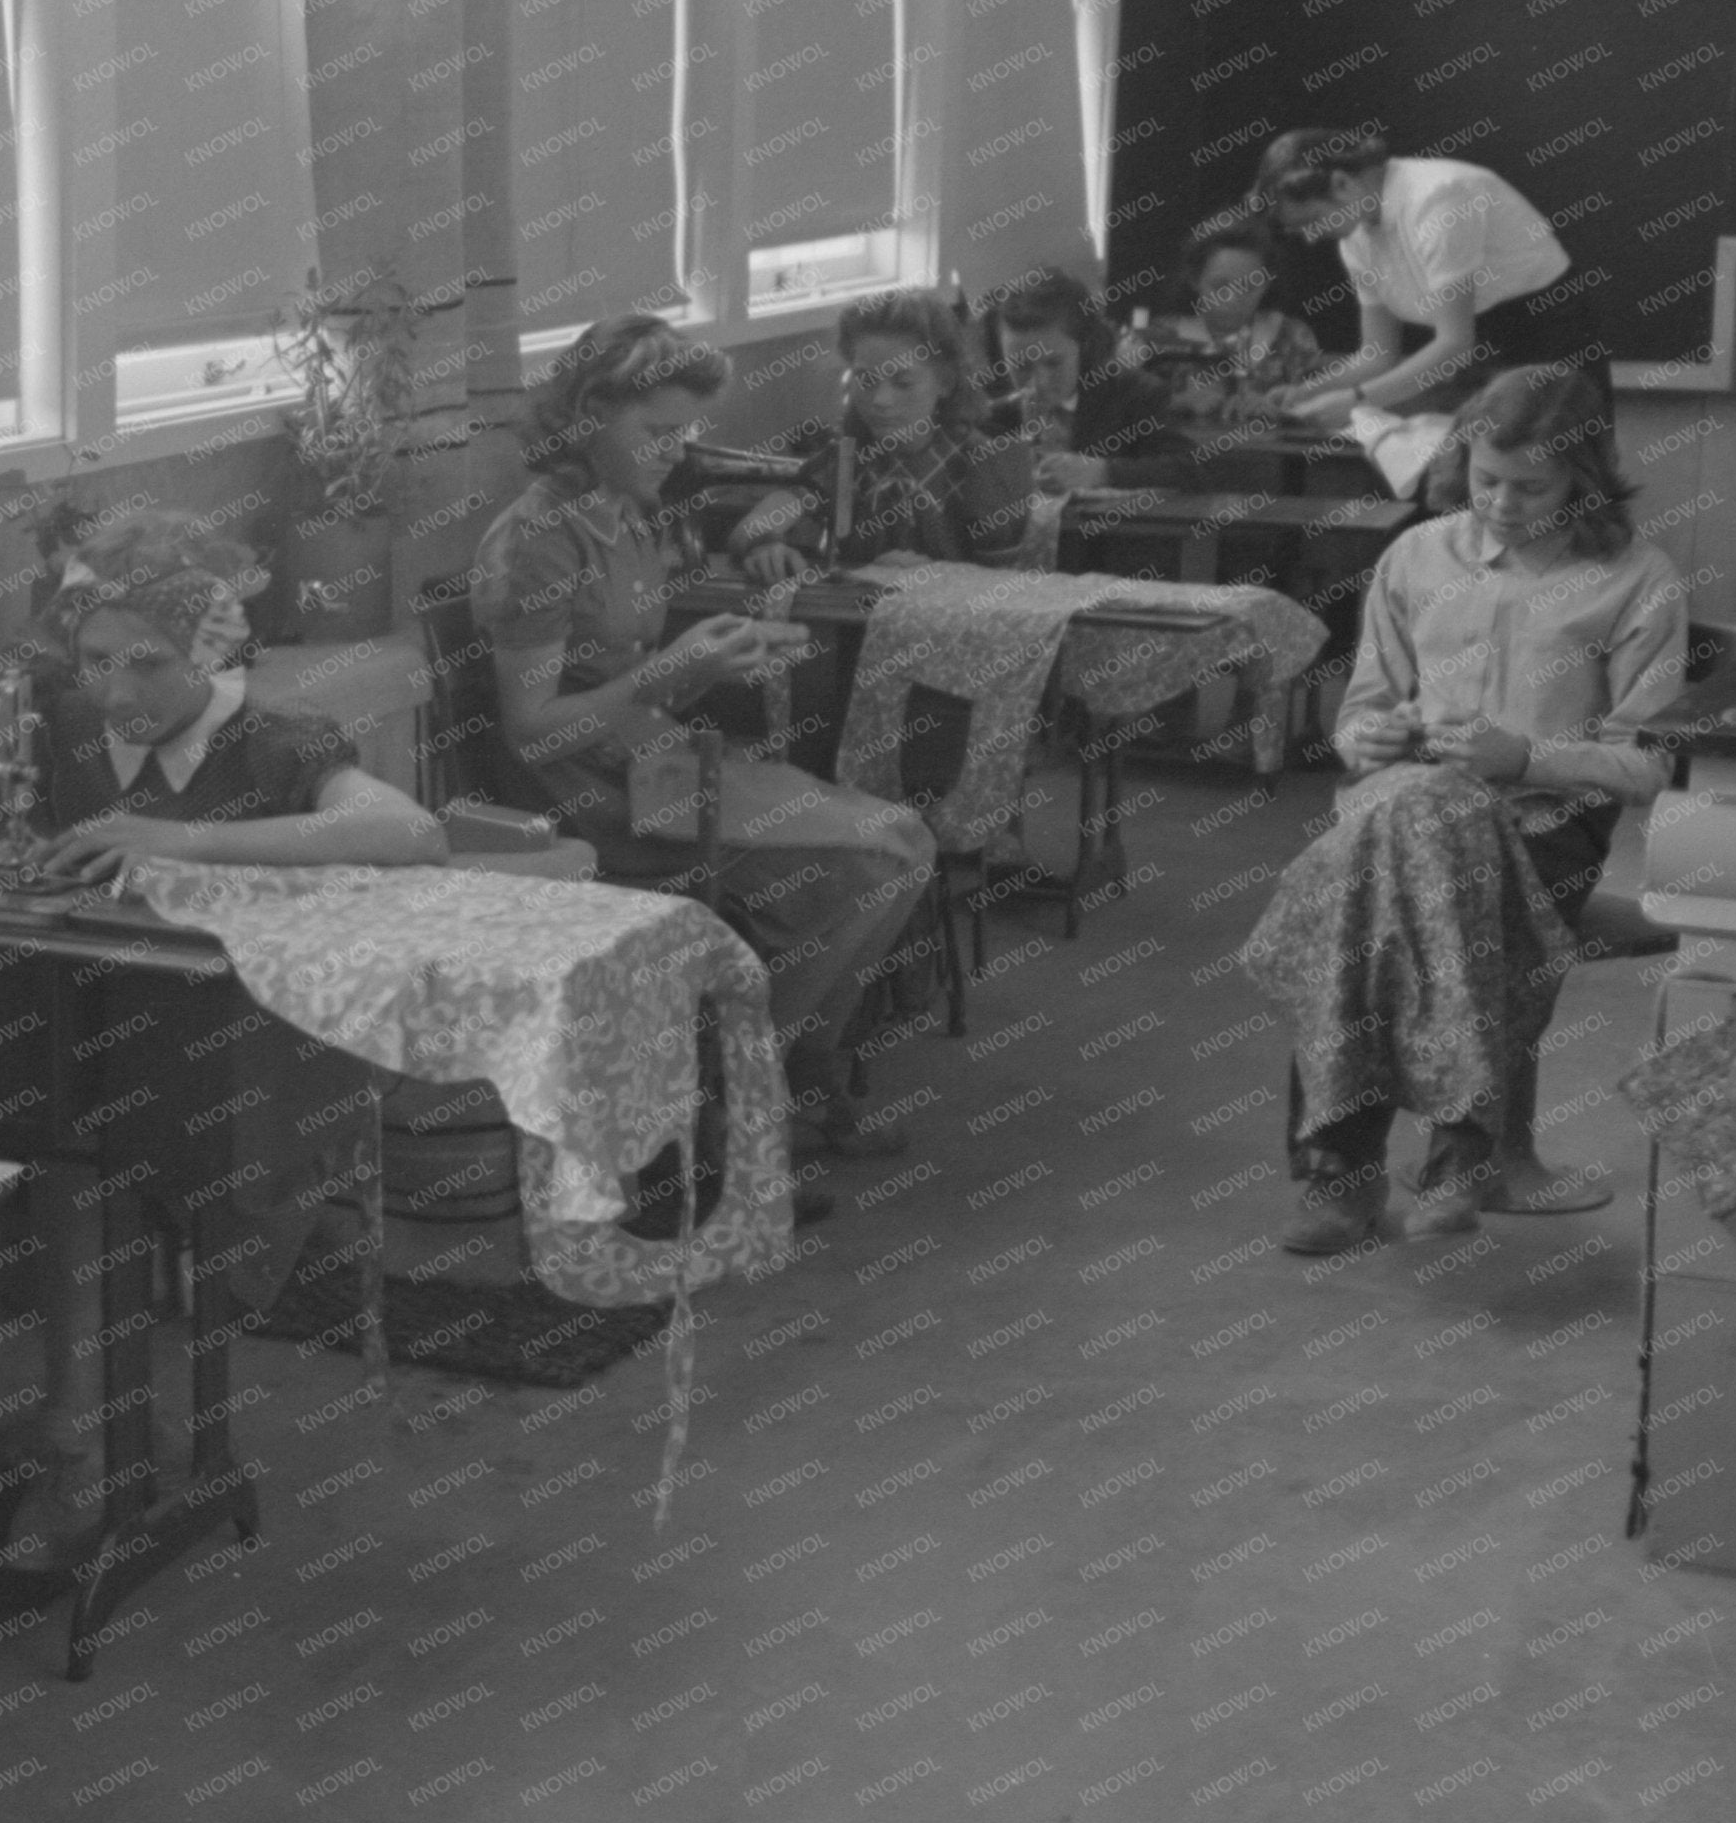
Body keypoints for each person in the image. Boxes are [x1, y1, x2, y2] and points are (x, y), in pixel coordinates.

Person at [0, 505, 445, 1574]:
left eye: (148, 664)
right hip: (86, 1025)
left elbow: (414, 832)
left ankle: (81, 1452)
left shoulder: (276, 741)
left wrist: (176, 836)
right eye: (92, 661)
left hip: (241, 1049)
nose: (116, 690)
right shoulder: (69, 730)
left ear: (209, 649)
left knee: (80, 1166)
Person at [1236, 367, 1685, 1254]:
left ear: (1584, 480)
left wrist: (1524, 755)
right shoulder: (1417, 555)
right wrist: (1365, 740)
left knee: (1367, 897)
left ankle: (1341, 1176)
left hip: (1547, 826)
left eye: (1531, 487)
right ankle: (1458, 1153)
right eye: (1485, 480)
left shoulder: (1637, 577)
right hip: (1404, 811)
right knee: (1416, 833)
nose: (1502, 505)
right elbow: (1363, 710)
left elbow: (1652, 762)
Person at [474, 315, 938, 1171]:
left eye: (683, 430)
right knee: (876, 862)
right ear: (584, 419)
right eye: (654, 431)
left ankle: (785, 1076)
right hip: (588, 797)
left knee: (906, 841)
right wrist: (668, 674)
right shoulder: (539, 541)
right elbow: (531, 729)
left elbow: (647, 679)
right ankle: (745, 1099)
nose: (673, 450)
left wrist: (719, 660)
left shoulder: (632, 514)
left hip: (654, 760)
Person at [1253, 125, 1584, 426]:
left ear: (1342, 183)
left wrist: (1356, 399)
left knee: (1550, 455)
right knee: (1462, 462)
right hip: (1476, 339)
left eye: (1313, 220)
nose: (1311, 238)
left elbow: (1454, 345)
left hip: (1547, 324)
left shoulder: (1437, 199)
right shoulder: (1355, 235)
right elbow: (1378, 354)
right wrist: (1307, 391)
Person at [730, 293, 1032, 578]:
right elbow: (754, 525)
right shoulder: (848, 460)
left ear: (945, 382)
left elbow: (1000, 586)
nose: (880, 400)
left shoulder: (986, 464)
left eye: (902, 382)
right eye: (866, 380)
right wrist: (765, 544)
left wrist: (940, 577)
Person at [983, 263, 1204, 494]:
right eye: (1021, 366)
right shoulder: (990, 409)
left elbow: (1193, 470)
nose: (1039, 383)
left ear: (1085, 347)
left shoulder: (1136, 395)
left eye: (1053, 363)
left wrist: (1102, 472)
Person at [1145, 208, 1326, 419]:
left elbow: (1320, 406)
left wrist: (1279, 410)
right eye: (1220, 286)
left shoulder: (1292, 337)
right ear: (1195, 281)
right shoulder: (1161, 336)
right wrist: (1180, 403)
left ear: (1267, 285)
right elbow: (1126, 409)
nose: (1232, 298)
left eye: (1249, 286)